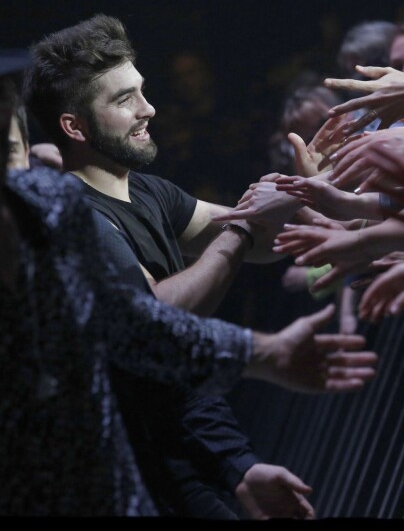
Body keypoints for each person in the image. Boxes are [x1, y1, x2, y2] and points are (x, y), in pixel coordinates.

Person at [0, 69, 377, 516]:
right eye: (125, 99)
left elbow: (148, 337)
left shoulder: (52, 208)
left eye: (9, 155)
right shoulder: (67, 206)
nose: (148, 109)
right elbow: (156, 318)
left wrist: (236, 463)